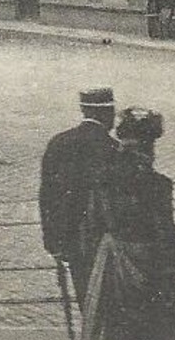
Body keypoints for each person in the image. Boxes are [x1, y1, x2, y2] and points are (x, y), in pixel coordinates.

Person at [79, 108, 175, 340]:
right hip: (147, 267)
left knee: (115, 334)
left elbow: (90, 227)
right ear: (149, 146)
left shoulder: (102, 179)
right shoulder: (157, 184)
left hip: (110, 264)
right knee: (154, 335)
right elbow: (164, 234)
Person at [39, 86, 121, 310]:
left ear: (84, 110)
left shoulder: (58, 143)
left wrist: (53, 242)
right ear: (107, 114)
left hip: (71, 242)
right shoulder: (113, 149)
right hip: (106, 244)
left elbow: (47, 196)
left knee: (87, 301)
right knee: (109, 306)